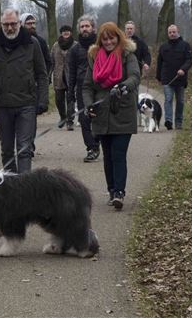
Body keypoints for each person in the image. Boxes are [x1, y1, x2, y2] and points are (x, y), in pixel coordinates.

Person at [0, 8, 48, 174]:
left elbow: (41, 74)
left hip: (26, 104)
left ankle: (24, 188)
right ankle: (11, 187)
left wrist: (43, 100)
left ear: (19, 23)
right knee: (7, 150)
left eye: (13, 24)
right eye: (6, 24)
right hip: (2, 105)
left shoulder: (32, 44)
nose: (10, 28)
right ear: (1, 24)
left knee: (24, 149)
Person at [82, 22, 140, 210]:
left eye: (112, 38)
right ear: (100, 39)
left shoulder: (127, 55)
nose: (108, 42)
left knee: (118, 153)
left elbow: (134, 76)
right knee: (107, 155)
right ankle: (111, 190)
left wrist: (123, 86)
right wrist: (88, 104)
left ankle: (119, 193)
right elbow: (87, 86)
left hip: (122, 110)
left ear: (118, 37)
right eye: (105, 39)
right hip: (101, 112)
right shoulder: (93, 57)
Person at [67, 14, 101, 162]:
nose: (85, 29)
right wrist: (70, 92)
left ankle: (100, 142)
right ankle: (92, 148)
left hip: (100, 87)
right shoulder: (74, 50)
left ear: (93, 28)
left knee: (99, 118)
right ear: (79, 30)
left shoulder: (101, 46)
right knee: (84, 118)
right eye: (82, 27)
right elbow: (71, 73)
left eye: (87, 26)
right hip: (82, 88)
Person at [156, 24, 192, 130]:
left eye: (174, 32)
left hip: (180, 79)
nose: (172, 34)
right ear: (168, 34)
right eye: (170, 32)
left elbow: (190, 60)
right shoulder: (163, 47)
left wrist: (183, 69)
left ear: (178, 32)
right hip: (167, 79)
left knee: (180, 101)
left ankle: (178, 122)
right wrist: (158, 77)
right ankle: (168, 120)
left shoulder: (185, 45)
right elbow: (159, 62)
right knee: (168, 99)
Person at [51, 25, 77, 130]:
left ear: (71, 33)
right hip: (58, 77)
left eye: (68, 31)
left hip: (71, 76)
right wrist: (49, 74)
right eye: (63, 31)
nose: (66, 32)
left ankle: (70, 121)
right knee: (59, 100)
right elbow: (51, 61)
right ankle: (62, 116)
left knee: (70, 99)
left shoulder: (76, 45)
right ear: (61, 33)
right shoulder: (55, 46)